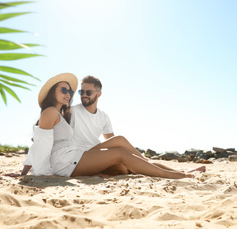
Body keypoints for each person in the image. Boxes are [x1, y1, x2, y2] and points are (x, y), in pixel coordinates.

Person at [22, 73, 199, 179]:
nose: (71, 94)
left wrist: (25, 170)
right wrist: (38, 173)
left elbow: (40, 140)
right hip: (67, 161)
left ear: (98, 94)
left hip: (75, 156)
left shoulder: (60, 113)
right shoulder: (57, 112)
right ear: (53, 91)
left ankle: (172, 170)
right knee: (121, 156)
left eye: (70, 91)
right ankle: (175, 176)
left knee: (120, 142)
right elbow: (40, 145)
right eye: (64, 90)